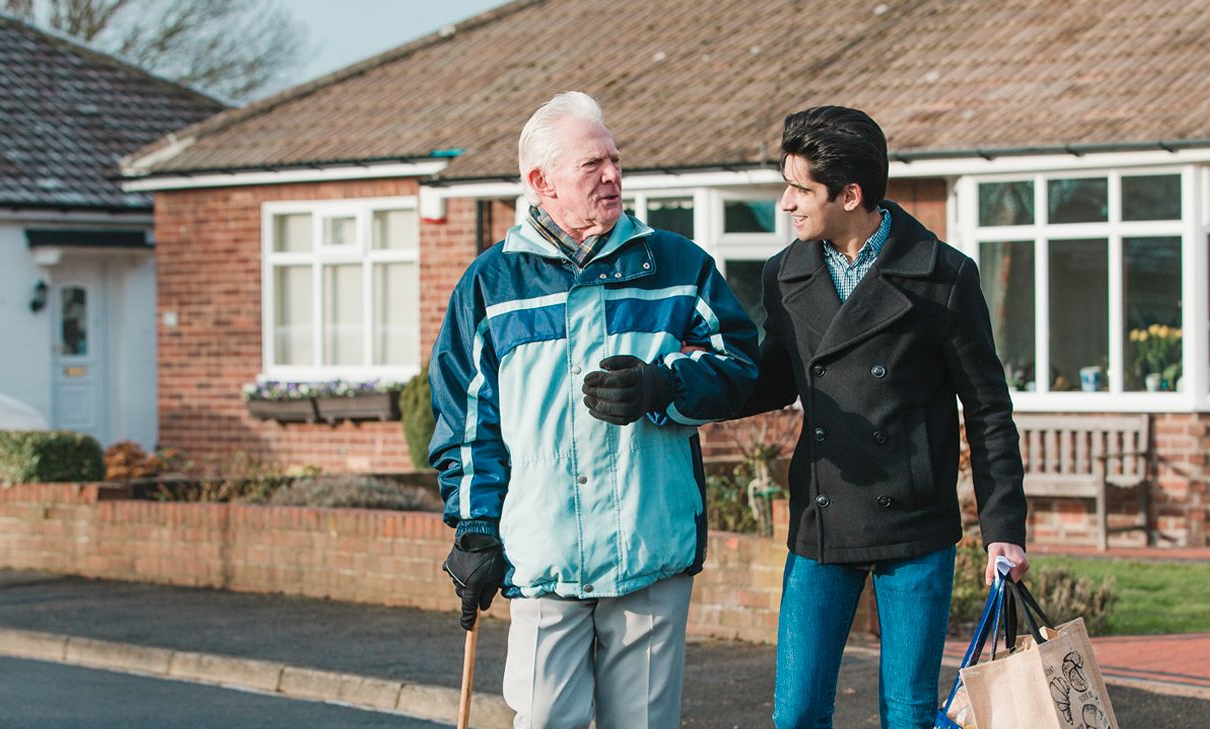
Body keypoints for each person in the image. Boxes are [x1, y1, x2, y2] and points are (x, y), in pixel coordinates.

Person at [428, 91, 759, 729]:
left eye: (614, 160)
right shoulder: (490, 284)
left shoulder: (678, 264)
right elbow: (469, 424)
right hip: (542, 552)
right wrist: (473, 529)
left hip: (650, 552)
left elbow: (741, 366)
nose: (612, 175)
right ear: (540, 182)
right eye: (592, 164)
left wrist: (665, 387)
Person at [740, 105, 1030, 729]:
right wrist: (675, 386)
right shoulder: (783, 275)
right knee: (795, 714)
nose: (786, 203)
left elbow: (986, 409)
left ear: (850, 194)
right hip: (823, 518)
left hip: (915, 524)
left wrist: (1004, 525)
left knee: (908, 714)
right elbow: (768, 380)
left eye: (800, 189)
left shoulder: (943, 275)